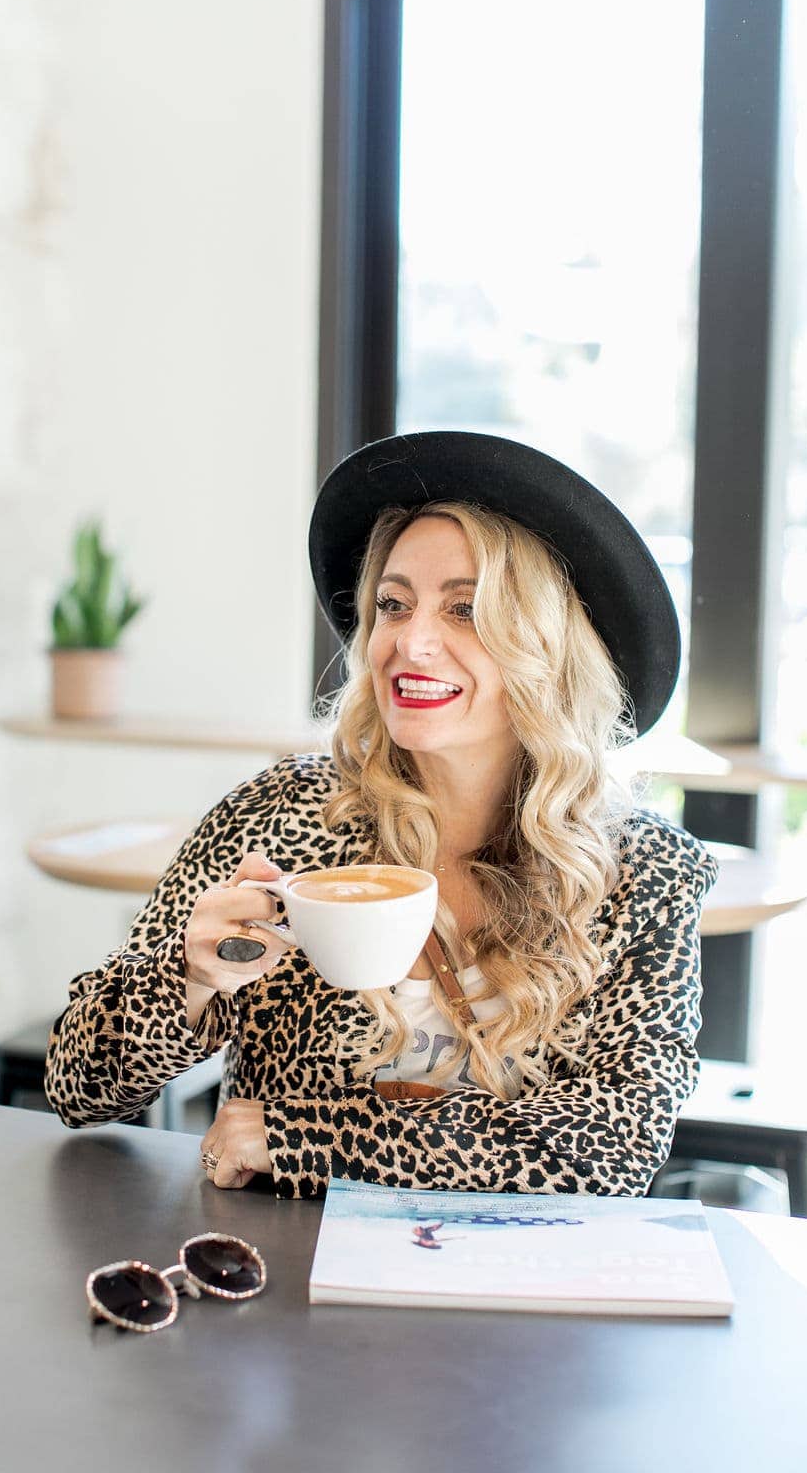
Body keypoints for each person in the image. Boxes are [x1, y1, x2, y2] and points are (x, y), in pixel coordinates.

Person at [44, 430, 717, 1201]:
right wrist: (186, 979)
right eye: (393, 605)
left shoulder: (647, 870)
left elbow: (612, 1149)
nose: (411, 641)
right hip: (289, 1273)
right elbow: (76, 1085)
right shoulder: (278, 814)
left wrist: (307, 1140)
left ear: (549, 647)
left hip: (521, 1295)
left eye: (466, 610)